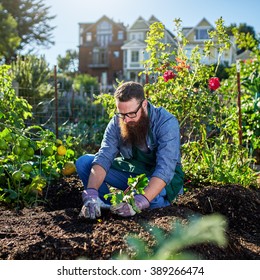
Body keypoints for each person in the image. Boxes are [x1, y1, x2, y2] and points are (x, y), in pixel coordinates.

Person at [76, 81, 184, 219]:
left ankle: (159, 210)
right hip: (134, 172)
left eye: (131, 114)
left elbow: (166, 168)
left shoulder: (165, 122)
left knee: (151, 199)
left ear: (144, 104)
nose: (126, 120)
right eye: (122, 114)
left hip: (161, 177)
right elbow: (104, 157)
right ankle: (104, 207)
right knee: (84, 162)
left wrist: (140, 202)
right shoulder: (117, 122)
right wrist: (91, 193)